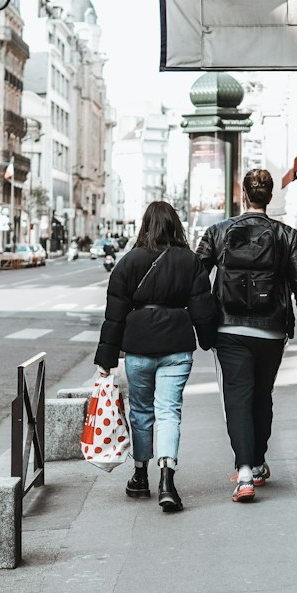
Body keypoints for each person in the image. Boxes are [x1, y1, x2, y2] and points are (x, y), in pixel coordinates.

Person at [197, 168, 297, 503]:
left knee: (237, 397)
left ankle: (245, 471)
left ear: (243, 195)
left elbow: (195, 277)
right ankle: (259, 461)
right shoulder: (287, 235)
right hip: (271, 330)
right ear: (270, 195)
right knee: (262, 395)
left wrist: (203, 319)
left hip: (229, 329)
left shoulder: (218, 232)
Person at [94, 200, 216, 513]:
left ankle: (139, 474)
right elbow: (202, 306)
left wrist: (106, 360)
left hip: (138, 346)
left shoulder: (129, 261)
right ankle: (167, 479)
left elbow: (115, 314)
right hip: (176, 344)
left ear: (146, 225)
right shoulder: (189, 261)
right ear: (175, 225)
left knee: (141, 411)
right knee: (169, 411)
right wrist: (209, 340)